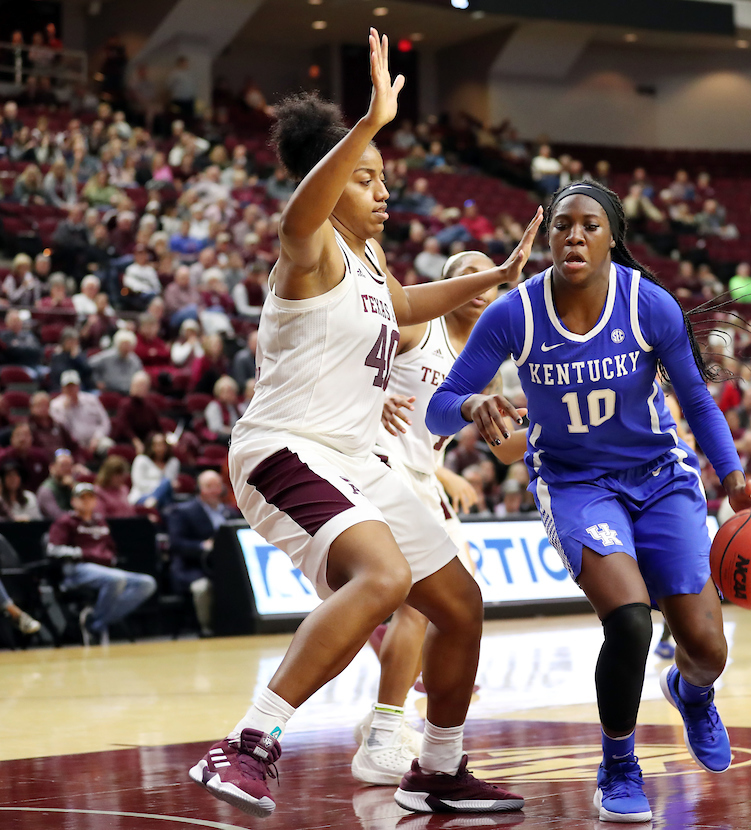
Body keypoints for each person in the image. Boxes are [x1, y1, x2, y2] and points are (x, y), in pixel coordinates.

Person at [188, 31, 532, 819]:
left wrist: (499, 275)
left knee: (459, 602)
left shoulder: (372, 264)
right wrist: (370, 124)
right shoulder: (308, 250)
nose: (383, 192)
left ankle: (437, 769)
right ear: (330, 179)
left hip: (353, 458)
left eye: (383, 178)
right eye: (366, 178)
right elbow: (299, 213)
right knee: (382, 578)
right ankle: (246, 745)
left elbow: (406, 304)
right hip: (284, 449)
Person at [428, 179, 751, 823]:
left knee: (707, 649)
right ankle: (619, 763)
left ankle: (692, 694)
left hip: (659, 478)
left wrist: (733, 476)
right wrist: (472, 404)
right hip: (577, 484)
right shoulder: (516, 313)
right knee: (631, 621)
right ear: (549, 239)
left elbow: (696, 400)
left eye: (589, 226)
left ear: (612, 239)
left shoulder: (649, 305)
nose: (573, 236)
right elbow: (440, 406)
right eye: (562, 226)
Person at [353, 250, 500, 786]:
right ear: (446, 285)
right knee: (421, 603)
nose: (480, 286)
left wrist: (550, 425)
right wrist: (369, 398)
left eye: (488, 278)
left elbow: (504, 446)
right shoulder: (420, 325)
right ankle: (382, 736)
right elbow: (349, 351)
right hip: (375, 464)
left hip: (420, 478)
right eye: (467, 275)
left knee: (456, 607)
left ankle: (385, 720)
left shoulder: (485, 362)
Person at [48, 482, 157, 646]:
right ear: (73, 501)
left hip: (105, 569)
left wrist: (109, 556)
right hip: (78, 569)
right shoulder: (65, 522)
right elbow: (53, 549)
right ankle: (98, 624)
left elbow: (111, 547)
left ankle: (95, 621)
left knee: (147, 583)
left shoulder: (100, 522)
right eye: (82, 498)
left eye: (90, 497)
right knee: (116, 579)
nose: (86, 501)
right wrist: (81, 552)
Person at [167, 471, 231, 637]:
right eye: (209, 486)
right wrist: (203, 545)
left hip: (226, 568)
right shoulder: (182, 511)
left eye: (217, 486)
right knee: (202, 587)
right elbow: (176, 544)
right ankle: (207, 629)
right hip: (192, 567)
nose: (214, 490)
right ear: (199, 489)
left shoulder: (231, 512)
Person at [50, 371, 111, 456]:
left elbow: (105, 421)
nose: (71, 389)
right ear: (62, 388)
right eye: (68, 386)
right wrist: (66, 410)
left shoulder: (91, 400)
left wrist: (97, 438)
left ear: (78, 386)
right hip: (71, 444)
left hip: (95, 440)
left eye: (73, 386)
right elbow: (60, 430)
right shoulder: (56, 405)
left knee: (108, 445)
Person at [36, 449, 76, 522]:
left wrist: (73, 488)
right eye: (63, 465)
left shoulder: (74, 485)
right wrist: (78, 515)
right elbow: (58, 516)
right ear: (52, 467)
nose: (67, 469)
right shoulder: (46, 490)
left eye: (70, 465)